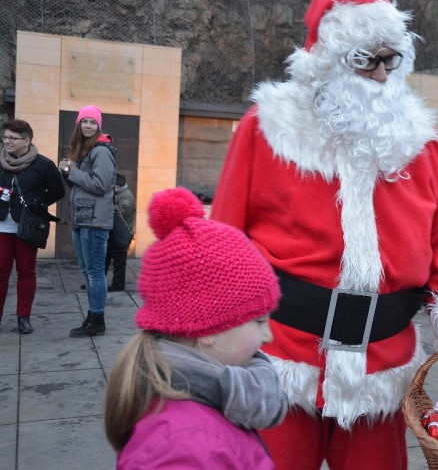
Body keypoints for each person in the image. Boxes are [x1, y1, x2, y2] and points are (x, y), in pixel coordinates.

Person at [210, 0, 438, 470]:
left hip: (382, 363)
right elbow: (224, 238)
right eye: (369, 60)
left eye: (393, 60)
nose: (383, 74)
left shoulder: (422, 144)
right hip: (283, 354)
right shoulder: (267, 129)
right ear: (328, 59)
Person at [104, 187, 288, 468]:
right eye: (259, 321)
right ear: (209, 329)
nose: (268, 335)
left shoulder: (202, 410)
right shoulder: (182, 448)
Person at [0, 120, 64, 334]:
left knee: (26, 271)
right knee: (1, 272)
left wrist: (37, 204)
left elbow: (57, 191)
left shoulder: (43, 164)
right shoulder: (0, 160)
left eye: (12, 138)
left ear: (26, 141)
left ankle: (23, 317)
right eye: (5, 137)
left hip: (27, 226)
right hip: (2, 225)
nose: (6, 141)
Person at [60, 105, 116, 338]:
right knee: (87, 270)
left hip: (95, 221)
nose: (88, 126)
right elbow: (82, 188)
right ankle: (93, 317)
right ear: (78, 124)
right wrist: (67, 172)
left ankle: (96, 320)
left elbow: (100, 185)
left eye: (93, 122)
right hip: (82, 220)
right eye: (85, 121)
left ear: (98, 126)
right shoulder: (84, 150)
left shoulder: (101, 151)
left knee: (94, 273)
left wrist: (73, 171)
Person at [105, 173, 135, 292]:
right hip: (112, 233)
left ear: (117, 185)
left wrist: (107, 206)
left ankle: (118, 284)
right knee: (104, 260)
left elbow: (120, 212)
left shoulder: (127, 196)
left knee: (119, 262)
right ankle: (97, 282)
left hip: (121, 234)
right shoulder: (117, 194)